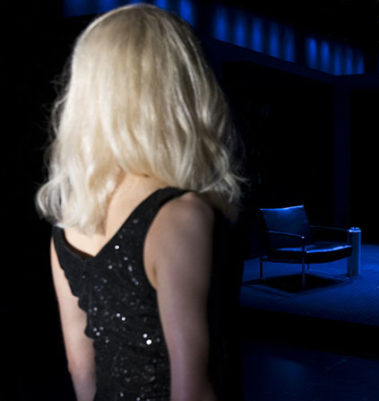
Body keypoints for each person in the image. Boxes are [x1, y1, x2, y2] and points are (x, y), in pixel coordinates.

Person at [35, 4, 243, 400]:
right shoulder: (180, 215)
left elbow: (80, 369)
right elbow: (193, 389)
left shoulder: (71, 219)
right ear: (183, 90)